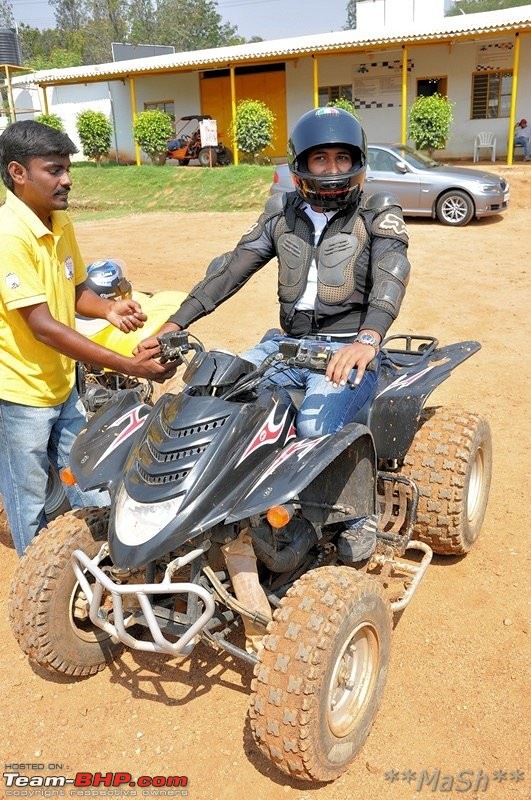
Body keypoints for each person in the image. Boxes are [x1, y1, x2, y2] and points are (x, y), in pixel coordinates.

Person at [137, 107, 411, 563]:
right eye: (320, 159)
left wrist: (368, 338)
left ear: (357, 162)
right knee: (217, 397)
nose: (332, 169)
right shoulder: (281, 214)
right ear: (301, 164)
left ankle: (358, 512)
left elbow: (391, 275)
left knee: (315, 425)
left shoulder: (377, 212)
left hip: (349, 347)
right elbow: (230, 271)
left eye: (342, 159)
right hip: (284, 346)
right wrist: (174, 323)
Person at [0, 120, 175, 557]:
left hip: (63, 384)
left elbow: (75, 290)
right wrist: (129, 366)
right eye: (55, 170)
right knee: (30, 502)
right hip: (20, 395)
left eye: (67, 169)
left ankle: (99, 569)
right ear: (18, 173)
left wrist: (109, 309)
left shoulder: (59, 221)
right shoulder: (8, 235)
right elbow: (42, 325)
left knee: (93, 475)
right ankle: (38, 589)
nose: (68, 180)